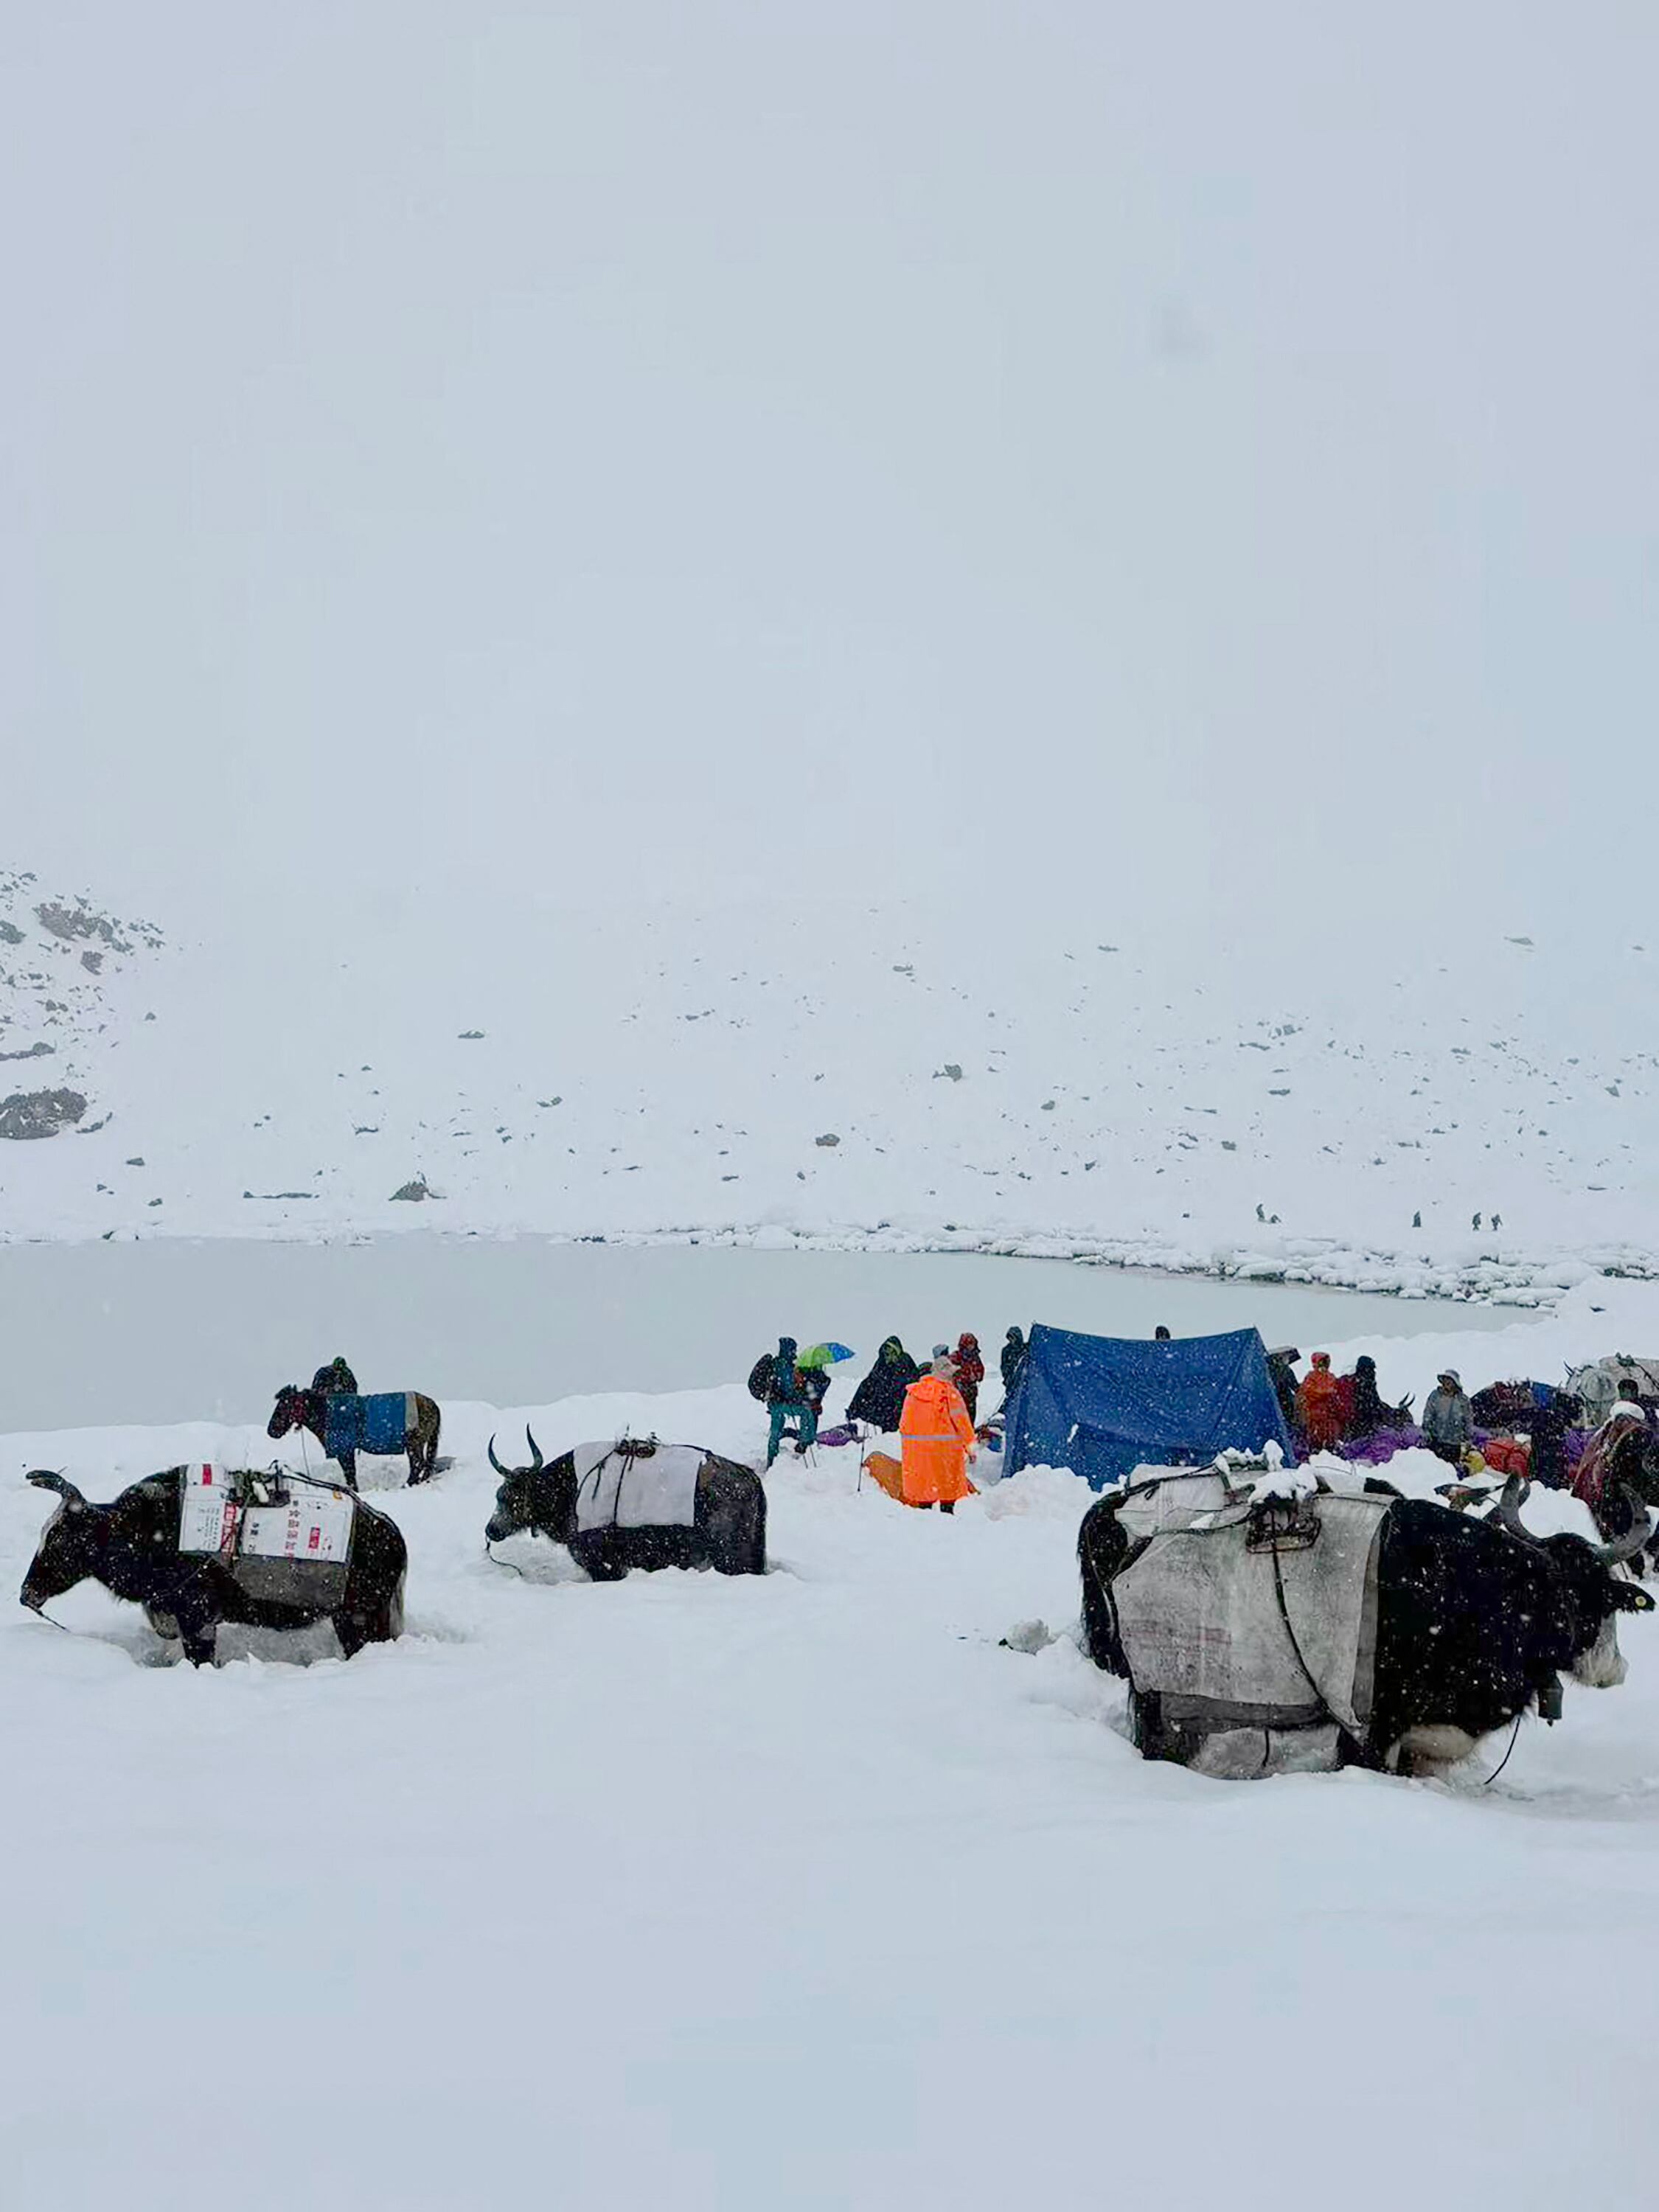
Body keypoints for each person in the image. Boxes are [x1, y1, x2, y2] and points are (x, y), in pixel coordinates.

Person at [899, 1357, 978, 1513]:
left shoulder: (913, 1392)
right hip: (945, 1453)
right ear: (946, 1375)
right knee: (947, 1491)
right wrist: (972, 1450)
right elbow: (963, 1425)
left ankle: (925, 1519)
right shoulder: (949, 1393)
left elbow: (904, 1424)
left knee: (925, 1490)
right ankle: (947, 1520)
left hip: (919, 1453)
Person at [752, 1337, 818, 1468]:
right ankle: (803, 1446)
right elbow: (788, 1390)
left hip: (774, 1404)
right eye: (793, 1350)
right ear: (789, 1350)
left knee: (776, 1430)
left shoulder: (776, 1363)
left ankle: (771, 1459)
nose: (795, 1353)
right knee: (806, 1413)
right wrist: (799, 1397)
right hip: (783, 1404)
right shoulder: (787, 1367)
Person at [846, 1338, 919, 1433]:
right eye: (886, 1353)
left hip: (898, 1406)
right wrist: (854, 1408)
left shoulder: (906, 1362)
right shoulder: (881, 1364)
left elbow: (912, 1383)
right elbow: (868, 1383)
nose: (888, 1356)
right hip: (881, 1405)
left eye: (891, 1353)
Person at [1346, 1354, 1411, 1438]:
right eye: (1372, 1369)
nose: (1374, 1372)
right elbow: (1372, 1407)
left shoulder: (1359, 1381)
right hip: (1364, 1429)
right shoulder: (1366, 1384)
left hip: (1358, 1426)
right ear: (1367, 1369)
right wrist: (1392, 1413)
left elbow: (1375, 1404)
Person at [1295, 1352, 1346, 1454]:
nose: (1325, 1365)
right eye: (1323, 1362)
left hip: (1325, 1415)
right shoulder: (1313, 1378)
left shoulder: (1326, 1377)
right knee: (1319, 1439)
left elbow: (1305, 1395)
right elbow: (1308, 1394)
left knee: (1327, 1437)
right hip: (1317, 1415)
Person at [1421, 1369, 1474, 1465]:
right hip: (1436, 1441)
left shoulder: (1463, 1400)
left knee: (1450, 1471)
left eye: (1449, 1380)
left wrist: (1468, 1439)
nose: (1446, 1382)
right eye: (1445, 1380)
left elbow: (1468, 1420)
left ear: (1455, 1383)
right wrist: (1426, 1431)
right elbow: (1428, 1414)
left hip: (1454, 1443)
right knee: (1434, 1467)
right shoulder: (1435, 1396)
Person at [953, 1333, 985, 1421]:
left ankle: (969, 1433)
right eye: (969, 1344)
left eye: (973, 1344)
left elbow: (981, 1371)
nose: (971, 1346)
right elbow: (952, 1372)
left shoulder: (975, 1357)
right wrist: (966, 1376)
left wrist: (976, 1375)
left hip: (971, 1393)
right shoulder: (956, 1357)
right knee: (960, 1418)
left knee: (971, 1417)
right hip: (959, 1393)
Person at [1001, 1327, 1029, 1397]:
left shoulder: (1026, 1349)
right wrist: (1007, 1377)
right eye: (1010, 1338)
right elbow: (1003, 1366)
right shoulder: (1006, 1351)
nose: (1011, 1340)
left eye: (1013, 1338)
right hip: (1011, 1382)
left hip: (1025, 1381)